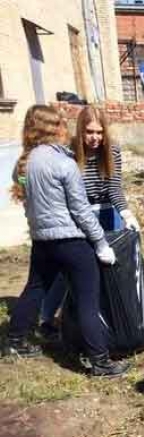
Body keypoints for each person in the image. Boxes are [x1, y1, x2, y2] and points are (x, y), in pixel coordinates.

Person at [5, 105, 129, 377]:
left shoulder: (25, 162)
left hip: (42, 241)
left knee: (35, 289)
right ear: (56, 129)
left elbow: (20, 182)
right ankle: (100, 361)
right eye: (62, 125)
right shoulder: (65, 164)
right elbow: (81, 210)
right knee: (88, 300)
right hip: (72, 242)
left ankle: (15, 341)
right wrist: (100, 243)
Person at [39, 106, 140, 336]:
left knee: (112, 264)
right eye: (90, 132)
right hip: (78, 214)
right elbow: (72, 196)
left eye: (99, 132)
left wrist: (126, 213)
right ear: (81, 131)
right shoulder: (69, 152)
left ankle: (111, 314)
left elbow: (114, 188)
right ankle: (47, 317)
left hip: (106, 210)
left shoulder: (112, 150)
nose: (95, 138)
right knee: (70, 268)